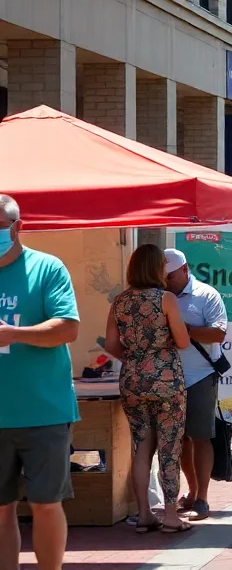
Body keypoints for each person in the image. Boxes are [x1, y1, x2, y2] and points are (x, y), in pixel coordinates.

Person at [0, 196, 80, 568]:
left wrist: (14, 333)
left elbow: (67, 328)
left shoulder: (47, 268)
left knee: (46, 505)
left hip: (42, 412)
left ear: (17, 227)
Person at [106, 245, 190, 533]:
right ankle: (170, 515)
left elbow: (111, 345)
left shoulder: (119, 301)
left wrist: (135, 359)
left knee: (141, 446)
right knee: (170, 446)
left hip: (132, 380)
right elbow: (182, 341)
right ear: (158, 268)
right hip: (166, 381)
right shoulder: (165, 298)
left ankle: (143, 513)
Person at [163, 248, 227, 521]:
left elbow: (218, 333)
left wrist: (182, 328)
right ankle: (190, 492)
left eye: (171, 276)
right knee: (180, 441)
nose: (167, 281)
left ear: (185, 270)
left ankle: (202, 498)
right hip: (168, 380)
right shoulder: (159, 296)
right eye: (163, 276)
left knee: (200, 437)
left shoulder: (207, 295)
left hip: (200, 376)